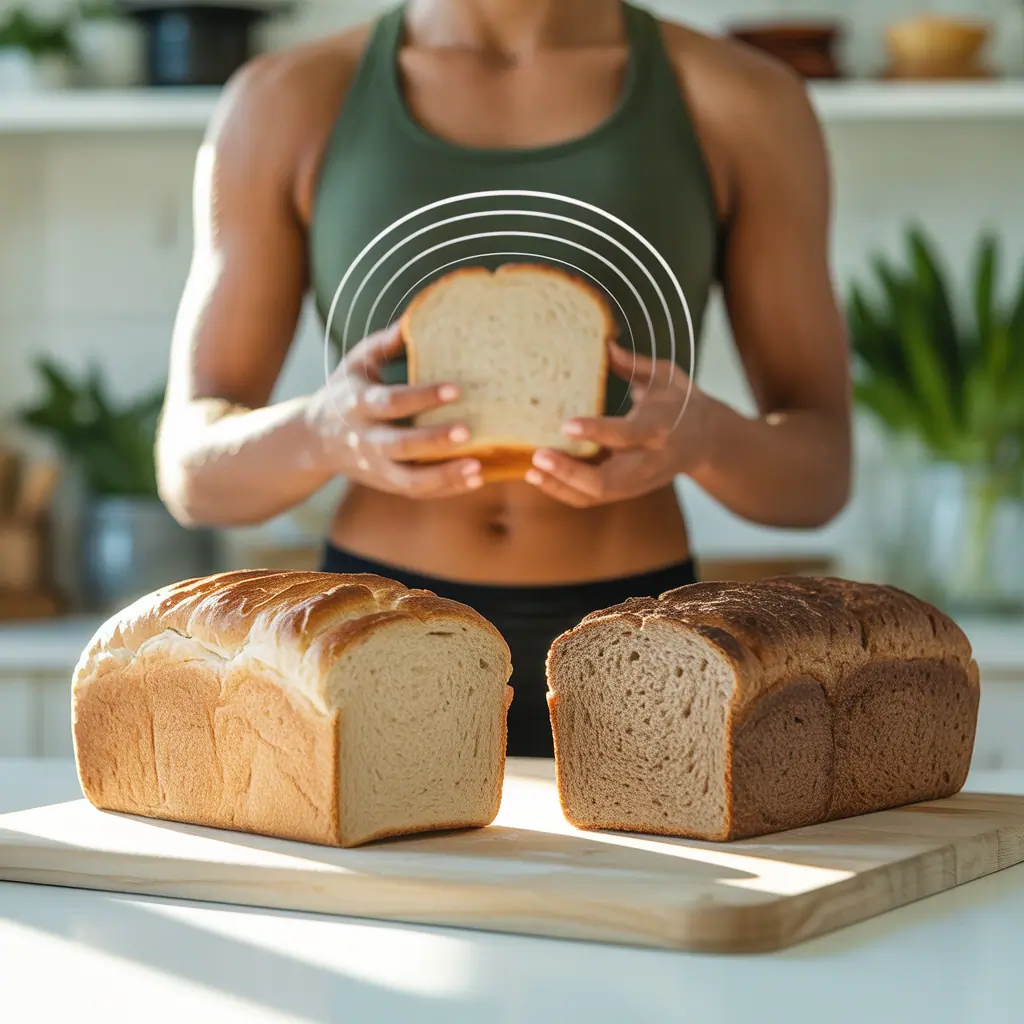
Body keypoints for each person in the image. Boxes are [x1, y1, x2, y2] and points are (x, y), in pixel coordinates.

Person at [156, 0, 852, 758]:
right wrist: (322, 433)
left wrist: (709, 439)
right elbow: (193, 472)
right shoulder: (287, 99)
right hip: (376, 626)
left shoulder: (746, 99)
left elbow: (819, 475)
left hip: (643, 639)